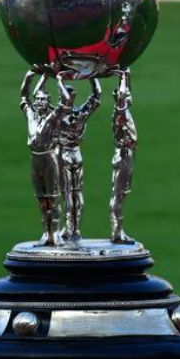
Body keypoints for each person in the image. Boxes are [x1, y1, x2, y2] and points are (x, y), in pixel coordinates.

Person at [19, 70, 71, 247]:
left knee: (53, 197)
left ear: (48, 102)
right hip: (35, 159)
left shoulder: (53, 117)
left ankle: (55, 232)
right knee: (41, 199)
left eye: (43, 100)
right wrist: (30, 77)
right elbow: (24, 97)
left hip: (49, 158)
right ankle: (45, 232)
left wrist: (59, 81)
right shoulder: (30, 115)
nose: (39, 102)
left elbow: (65, 102)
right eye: (38, 99)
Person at [54, 78, 101, 243]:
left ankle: (69, 228)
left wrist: (57, 79)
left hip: (65, 156)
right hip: (77, 155)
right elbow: (96, 95)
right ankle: (76, 229)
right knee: (77, 193)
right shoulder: (80, 114)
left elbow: (33, 100)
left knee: (68, 194)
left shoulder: (57, 116)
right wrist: (92, 75)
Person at [110, 70, 138, 245]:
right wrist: (122, 75)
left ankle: (118, 230)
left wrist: (126, 77)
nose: (128, 96)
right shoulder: (120, 114)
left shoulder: (125, 112)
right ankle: (116, 232)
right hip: (123, 156)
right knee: (118, 196)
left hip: (127, 156)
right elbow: (122, 96)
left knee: (122, 195)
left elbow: (125, 94)